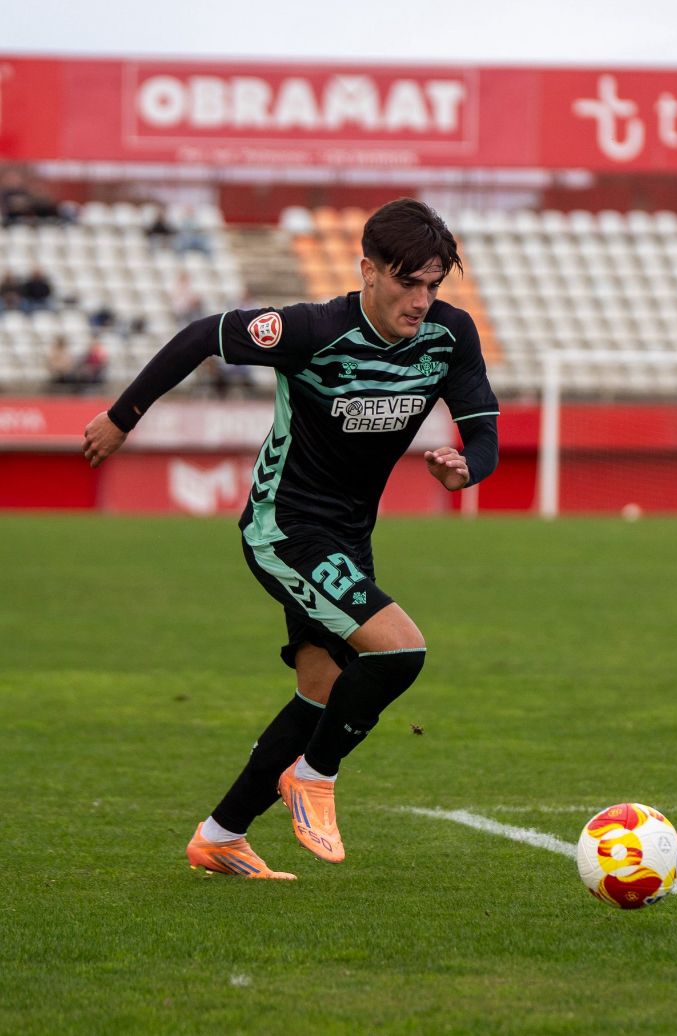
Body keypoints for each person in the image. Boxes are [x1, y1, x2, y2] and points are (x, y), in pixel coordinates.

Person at [82, 198, 500, 880]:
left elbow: (483, 431)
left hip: (349, 537)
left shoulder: (450, 337)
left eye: (433, 284)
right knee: (401, 651)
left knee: (320, 689)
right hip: (285, 528)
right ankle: (314, 775)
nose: (422, 300)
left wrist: (467, 468)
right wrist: (123, 416)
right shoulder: (312, 330)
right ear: (367, 269)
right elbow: (202, 336)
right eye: (407, 282)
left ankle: (220, 835)